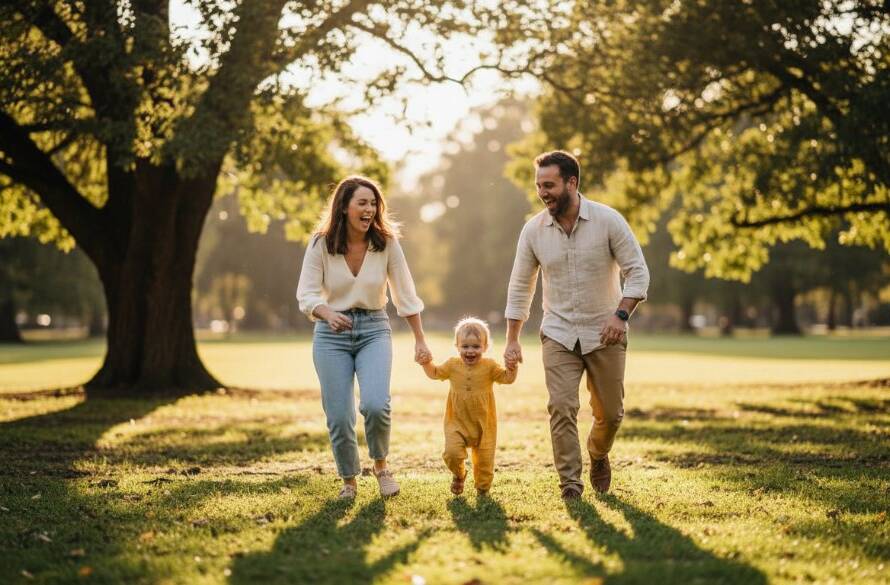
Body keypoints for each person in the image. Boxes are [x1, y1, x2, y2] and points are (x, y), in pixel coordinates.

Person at [503, 150, 650, 499]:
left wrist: (621, 314)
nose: (543, 193)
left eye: (550, 185)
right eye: (539, 186)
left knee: (611, 414)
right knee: (561, 407)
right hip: (558, 333)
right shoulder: (533, 231)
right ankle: (570, 484)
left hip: (606, 333)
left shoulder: (608, 220)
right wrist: (512, 340)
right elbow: (520, 286)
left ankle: (598, 454)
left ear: (572, 182)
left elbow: (638, 272)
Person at [297, 176, 431, 500]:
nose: (369, 209)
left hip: (374, 328)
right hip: (331, 335)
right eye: (362, 202)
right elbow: (307, 294)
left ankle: (382, 467)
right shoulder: (321, 243)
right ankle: (349, 481)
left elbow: (406, 295)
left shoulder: (386, 243)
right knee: (340, 416)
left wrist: (420, 340)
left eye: (373, 203)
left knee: (375, 405)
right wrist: (327, 313)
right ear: (344, 207)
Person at [418, 317, 517, 496]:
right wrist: (426, 362)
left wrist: (512, 367)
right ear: (457, 346)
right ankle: (459, 474)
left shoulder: (490, 366)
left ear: (485, 347)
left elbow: (507, 378)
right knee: (452, 453)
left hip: (484, 424)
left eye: (476, 347)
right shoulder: (452, 365)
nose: (470, 351)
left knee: (485, 460)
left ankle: (483, 489)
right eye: (465, 347)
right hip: (456, 422)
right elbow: (434, 373)